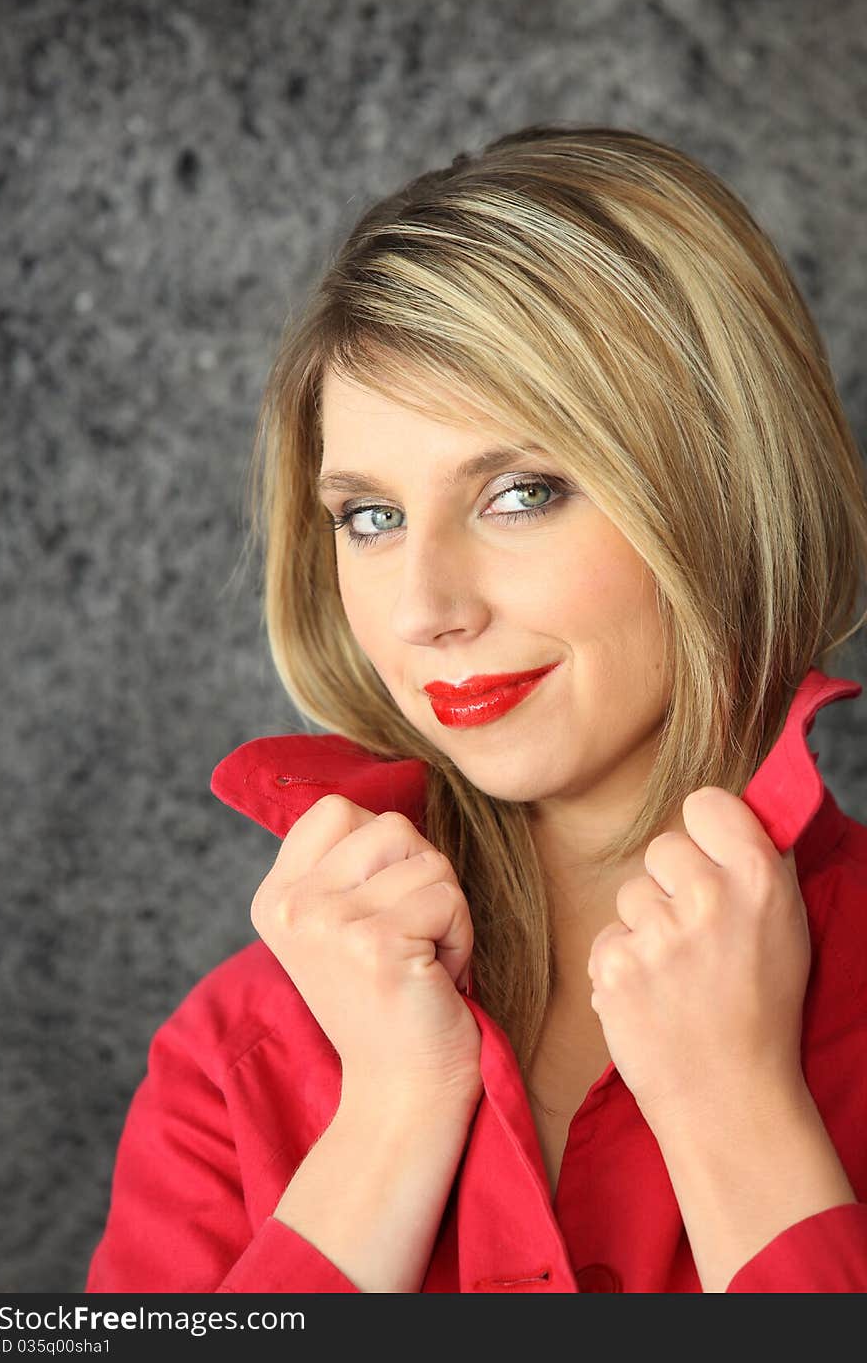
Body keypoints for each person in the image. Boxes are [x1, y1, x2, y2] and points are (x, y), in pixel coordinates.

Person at [86, 125, 867, 1293]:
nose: (423, 609)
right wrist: (391, 1119)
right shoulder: (236, 1055)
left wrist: (737, 1113)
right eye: (369, 516)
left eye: (519, 493)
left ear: (721, 483)